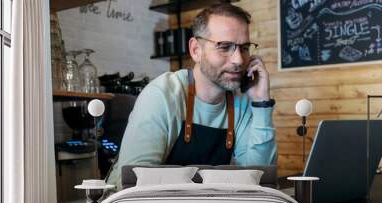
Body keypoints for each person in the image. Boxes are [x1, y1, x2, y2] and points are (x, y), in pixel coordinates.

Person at [107, 3, 277, 188]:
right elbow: (133, 185)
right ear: (196, 50)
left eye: (244, 48)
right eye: (225, 47)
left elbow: (258, 180)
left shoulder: (242, 102)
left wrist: (261, 104)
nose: (238, 60)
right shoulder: (162, 95)